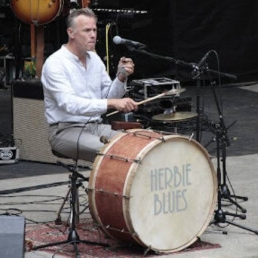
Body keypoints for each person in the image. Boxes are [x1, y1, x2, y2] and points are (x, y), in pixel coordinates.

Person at [41, 8, 138, 162]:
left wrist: (121, 76)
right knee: (116, 151)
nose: (93, 35)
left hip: (96, 126)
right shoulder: (55, 63)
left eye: (94, 29)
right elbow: (70, 104)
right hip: (65, 130)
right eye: (86, 30)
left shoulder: (94, 59)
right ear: (71, 33)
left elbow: (107, 97)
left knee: (140, 143)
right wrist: (113, 103)